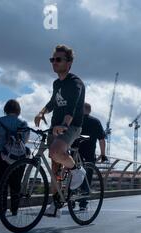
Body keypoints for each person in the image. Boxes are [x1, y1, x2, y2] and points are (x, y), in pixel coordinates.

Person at [34, 44, 86, 217]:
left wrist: (64, 124)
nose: (54, 63)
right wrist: (42, 112)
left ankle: (77, 170)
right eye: (52, 59)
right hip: (55, 126)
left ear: (69, 63)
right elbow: (52, 102)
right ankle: (56, 203)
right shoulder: (57, 83)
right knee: (55, 169)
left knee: (56, 151)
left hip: (71, 126)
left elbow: (72, 105)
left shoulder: (75, 82)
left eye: (58, 59)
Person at [0, 99, 29, 215]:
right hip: (18, 158)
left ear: (5, 110)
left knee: (1, 183)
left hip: (0, 155)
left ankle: (2, 211)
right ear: (18, 111)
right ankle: (14, 210)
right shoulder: (23, 123)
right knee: (16, 184)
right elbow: (25, 141)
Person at [74, 102, 107, 210]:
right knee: (87, 177)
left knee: (73, 174)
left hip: (75, 151)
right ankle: (83, 203)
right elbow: (102, 139)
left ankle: (71, 199)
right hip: (89, 154)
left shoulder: (75, 119)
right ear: (90, 110)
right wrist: (103, 154)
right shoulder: (95, 121)